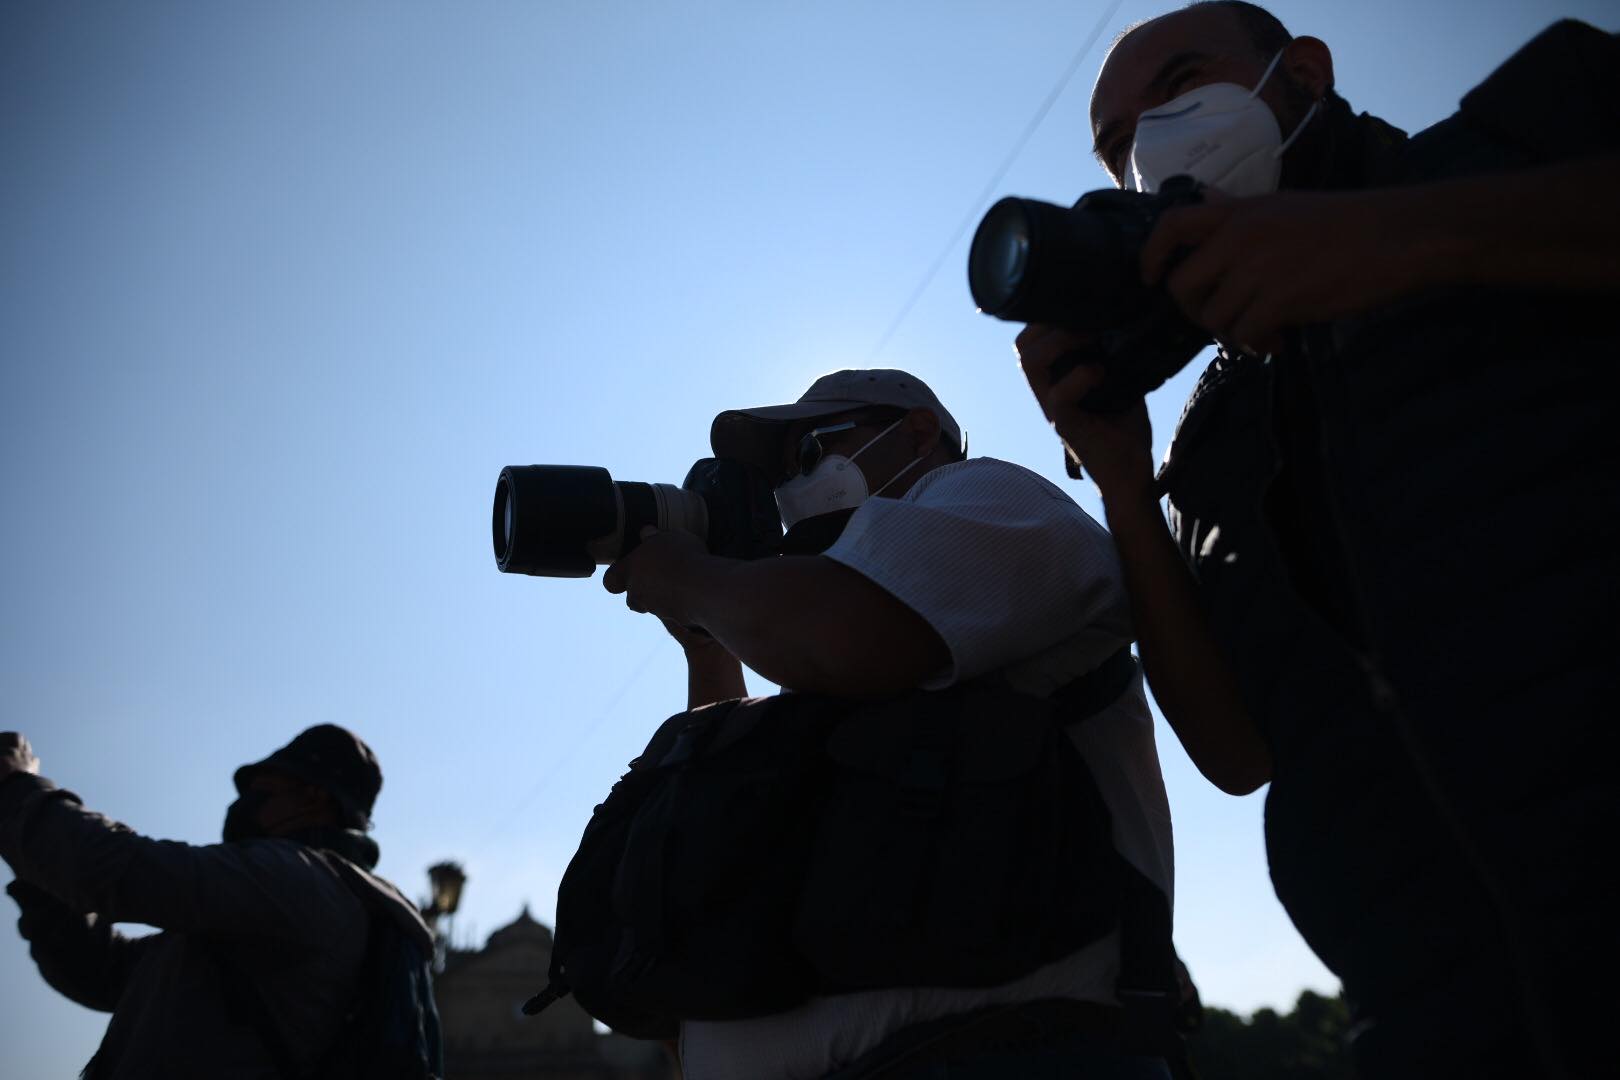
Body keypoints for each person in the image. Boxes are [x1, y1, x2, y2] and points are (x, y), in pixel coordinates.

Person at [1015, 4, 1619, 1077]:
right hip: (1435, 1019)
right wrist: (1122, 478)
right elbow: (1238, 751)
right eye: (1118, 145)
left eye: (1184, 80)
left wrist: (1399, 236)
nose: (1149, 141)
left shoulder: (1535, 128)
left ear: (1302, 72)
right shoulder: (1210, 440)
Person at [600, 367, 1176, 1079]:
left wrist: (689, 576)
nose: (790, 490)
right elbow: (746, 804)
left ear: (917, 432)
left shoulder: (985, 496)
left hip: (1007, 1052)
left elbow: (847, 633)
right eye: (780, 477)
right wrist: (710, 642)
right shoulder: (837, 610)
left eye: (809, 454)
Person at [0, 725, 441, 1078]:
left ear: (314, 797)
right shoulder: (281, 902)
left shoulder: (296, 879)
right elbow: (104, 971)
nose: (241, 805)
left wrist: (16, 786)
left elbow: (118, 869)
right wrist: (37, 866)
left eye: (261, 791)